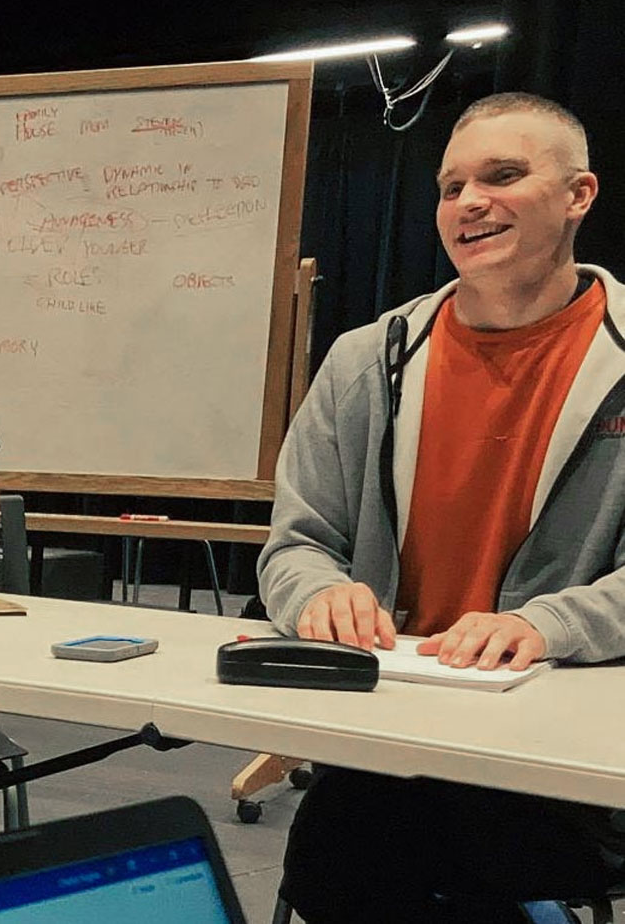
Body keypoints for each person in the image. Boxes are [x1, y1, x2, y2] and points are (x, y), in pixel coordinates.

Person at [258, 93, 625, 922]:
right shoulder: (367, 358)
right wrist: (319, 594)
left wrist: (547, 625)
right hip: (386, 735)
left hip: (559, 750)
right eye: (450, 185)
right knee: (333, 864)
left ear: (580, 194)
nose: (469, 203)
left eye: (503, 175)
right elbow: (295, 544)